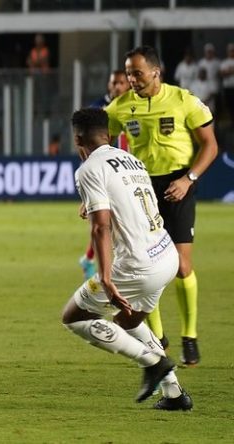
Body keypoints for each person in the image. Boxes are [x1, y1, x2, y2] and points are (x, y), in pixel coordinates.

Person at [62, 107, 192, 411]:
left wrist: (105, 276)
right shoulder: (132, 160)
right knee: (127, 320)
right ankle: (174, 393)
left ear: (78, 138)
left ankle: (152, 362)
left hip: (136, 266)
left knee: (74, 317)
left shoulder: (89, 169)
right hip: (165, 255)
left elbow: (101, 226)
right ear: (108, 135)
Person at [105, 46, 219, 365]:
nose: (131, 79)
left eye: (137, 73)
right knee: (145, 267)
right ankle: (158, 339)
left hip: (178, 185)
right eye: (128, 73)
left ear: (156, 72)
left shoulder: (184, 101)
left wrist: (189, 179)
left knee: (182, 267)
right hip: (140, 188)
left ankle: (190, 336)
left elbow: (210, 145)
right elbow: (101, 145)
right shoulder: (120, 108)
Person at [80, 69, 131, 280]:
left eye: (121, 82)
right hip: (103, 172)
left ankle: (90, 258)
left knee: (113, 221)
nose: (118, 86)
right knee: (106, 220)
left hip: (125, 170)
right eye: (114, 83)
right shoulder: (96, 109)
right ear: (109, 85)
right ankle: (100, 264)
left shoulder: (133, 107)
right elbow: (83, 143)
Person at [219, 43, 234, 125]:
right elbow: (222, 74)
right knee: (229, 106)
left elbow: (226, 72)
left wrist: (229, 71)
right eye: (230, 51)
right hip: (228, 87)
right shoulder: (224, 62)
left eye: (233, 51)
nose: (232, 52)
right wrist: (231, 71)